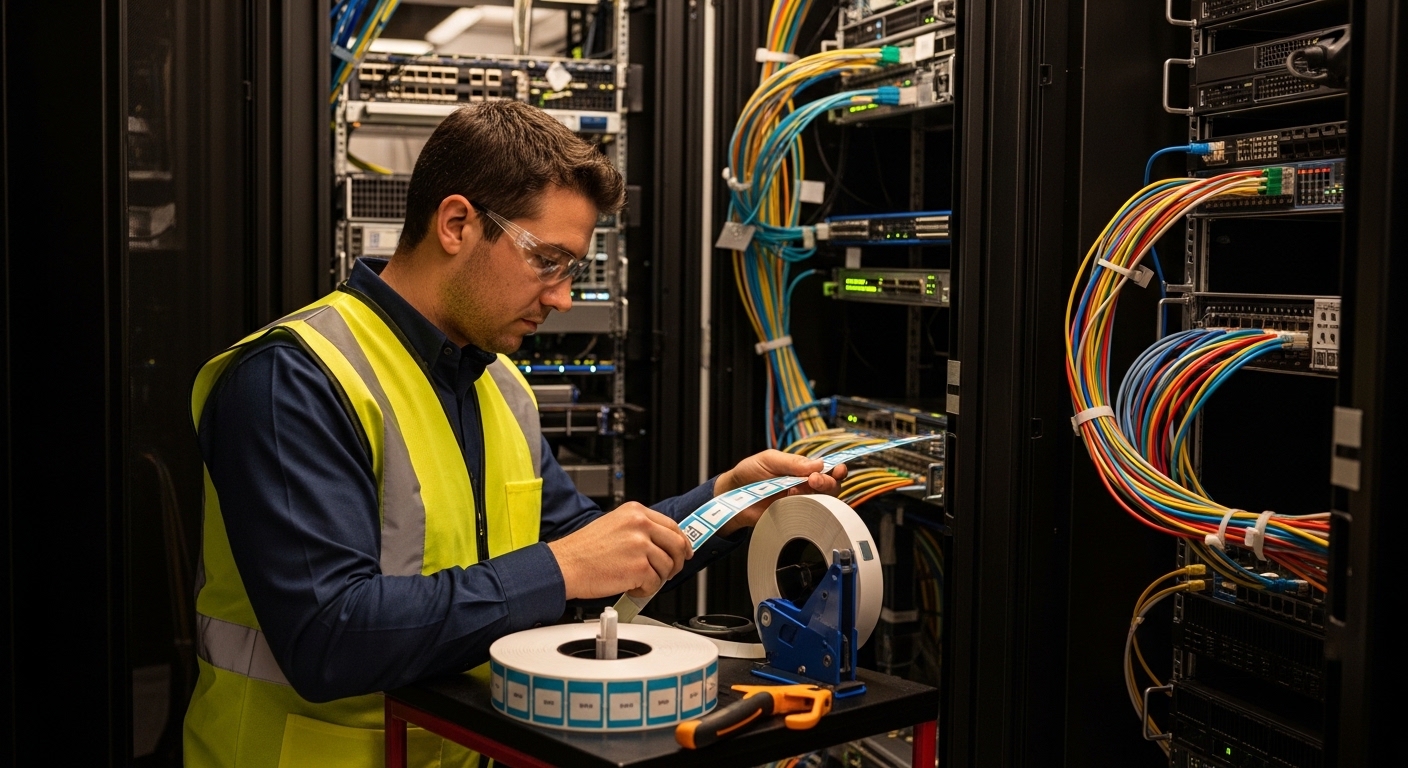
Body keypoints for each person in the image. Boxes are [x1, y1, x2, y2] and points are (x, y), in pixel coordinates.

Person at [183, 100, 846, 768]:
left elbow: (586, 556)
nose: (562, 298)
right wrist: (560, 568)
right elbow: (331, 637)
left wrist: (723, 507)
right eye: (548, 260)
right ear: (456, 224)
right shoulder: (292, 379)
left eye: (574, 271)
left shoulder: (499, 387)